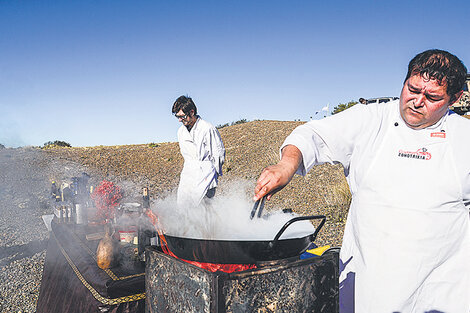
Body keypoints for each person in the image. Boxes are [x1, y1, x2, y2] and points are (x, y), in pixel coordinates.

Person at [253, 49, 469, 312]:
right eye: (412, 89)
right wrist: (287, 164)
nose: (417, 101)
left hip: (440, 291)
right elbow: (311, 135)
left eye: (432, 97)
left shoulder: (464, 138)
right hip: (371, 282)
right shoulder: (371, 118)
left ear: (455, 98)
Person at [172, 95, 225, 207]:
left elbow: (218, 154)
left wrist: (213, 175)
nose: (179, 120)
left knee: (204, 209)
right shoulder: (180, 132)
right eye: (178, 117)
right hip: (188, 174)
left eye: (182, 116)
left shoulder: (207, 128)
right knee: (184, 207)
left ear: (192, 112)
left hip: (206, 174)